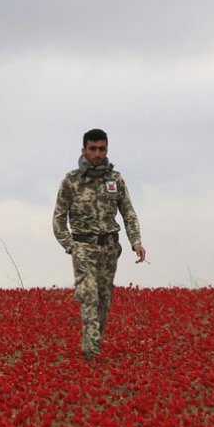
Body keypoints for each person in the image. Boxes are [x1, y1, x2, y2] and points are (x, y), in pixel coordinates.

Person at [53, 128, 146, 361]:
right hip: (83, 248)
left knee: (103, 302)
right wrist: (71, 246)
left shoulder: (116, 180)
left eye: (101, 149)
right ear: (84, 150)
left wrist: (135, 241)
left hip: (109, 249)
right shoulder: (71, 181)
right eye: (92, 149)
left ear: (106, 150)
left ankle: (93, 341)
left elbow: (128, 212)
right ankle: (91, 352)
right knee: (89, 296)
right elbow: (58, 219)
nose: (97, 153)